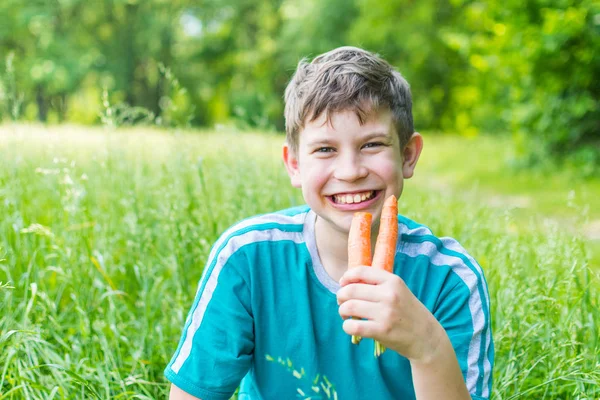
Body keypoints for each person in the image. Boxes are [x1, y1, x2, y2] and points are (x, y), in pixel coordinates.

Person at [164, 46, 494, 400]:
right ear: (294, 164)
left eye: (372, 144)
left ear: (408, 155)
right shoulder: (247, 258)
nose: (350, 172)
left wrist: (428, 345)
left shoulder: (451, 280)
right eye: (325, 149)